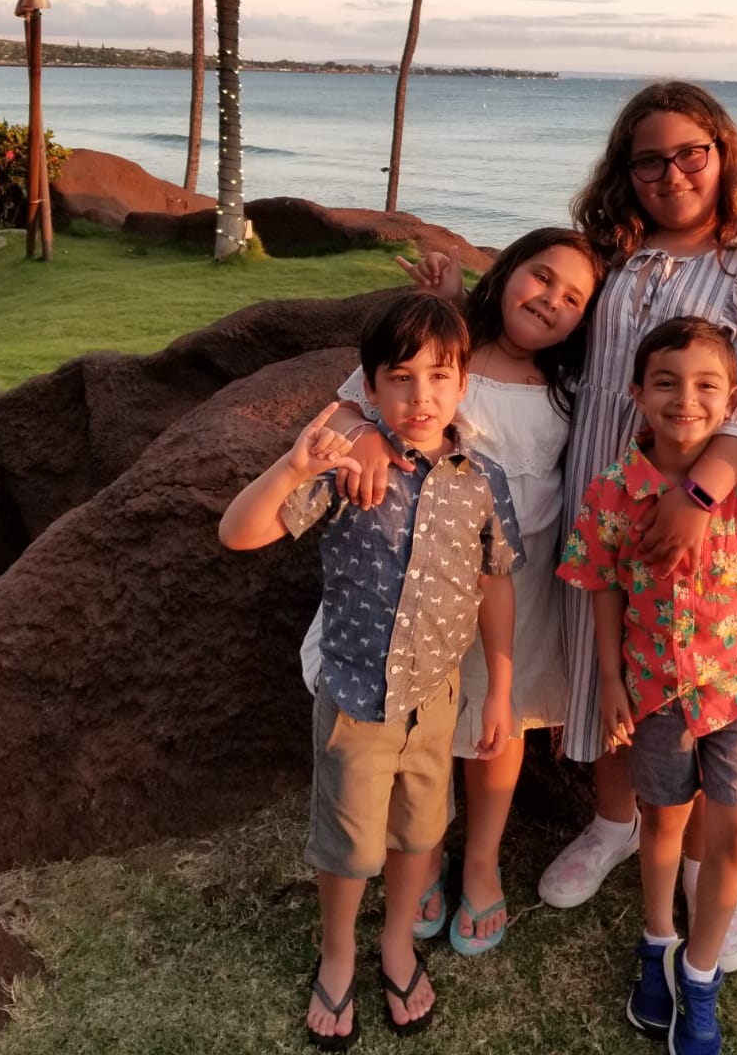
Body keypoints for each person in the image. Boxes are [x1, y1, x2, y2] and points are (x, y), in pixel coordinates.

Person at [540, 80, 737, 972]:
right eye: (648, 160)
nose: (671, 174)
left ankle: (699, 868)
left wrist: (695, 498)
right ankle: (614, 822)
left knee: (695, 678)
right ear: (626, 172)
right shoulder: (616, 255)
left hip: (707, 516)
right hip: (604, 492)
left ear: (722, 153)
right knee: (609, 665)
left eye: (690, 153)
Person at [219, 292, 523, 1048]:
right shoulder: (349, 469)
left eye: (440, 377)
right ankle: (338, 951)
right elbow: (238, 533)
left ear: (462, 385)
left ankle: (396, 943)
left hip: (437, 701)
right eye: (401, 378)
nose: (422, 397)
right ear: (369, 386)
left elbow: (495, 582)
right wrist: (292, 469)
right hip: (356, 698)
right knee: (349, 844)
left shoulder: (483, 480)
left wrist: (502, 688)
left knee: (420, 833)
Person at [308, 228, 602, 955]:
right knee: (429, 718)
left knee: (502, 722)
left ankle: (481, 860)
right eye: (542, 276)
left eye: (574, 298)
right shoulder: (453, 356)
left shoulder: (572, 385)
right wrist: (365, 437)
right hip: (424, 573)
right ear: (506, 270)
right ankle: (425, 853)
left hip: (516, 579)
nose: (551, 301)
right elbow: (350, 404)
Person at [558, 316, 737, 1054]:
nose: (686, 400)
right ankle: (657, 944)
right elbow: (602, 583)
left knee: (735, 833)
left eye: (708, 385)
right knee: (663, 825)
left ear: (734, 398)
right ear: (637, 394)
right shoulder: (613, 491)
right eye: (667, 383)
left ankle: (699, 974)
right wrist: (610, 679)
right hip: (655, 693)